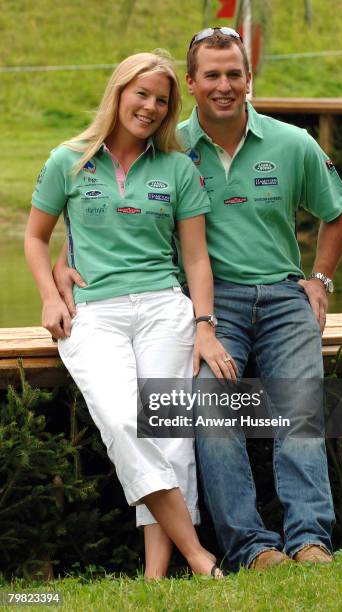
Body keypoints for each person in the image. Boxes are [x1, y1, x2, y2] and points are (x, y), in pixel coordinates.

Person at [53, 30, 342, 571]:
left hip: (286, 296)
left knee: (297, 408)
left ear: (248, 78)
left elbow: (339, 212)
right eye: (210, 75)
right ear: (190, 84)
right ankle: (251, 547)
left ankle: (310, 540)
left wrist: (321, 279)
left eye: (233, 74)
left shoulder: (292, 143)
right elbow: (109, 218)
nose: (224, 85)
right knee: (213, 413)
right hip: (207, 307)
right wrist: (63, 262)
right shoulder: (167, 149)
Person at [25, 50, 237, 580]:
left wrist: (204, 325)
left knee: (170, 435)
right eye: (140, 93)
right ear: (118, 92)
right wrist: (51, 294)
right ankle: (198, 554)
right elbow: (34, 236)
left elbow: (195, 258)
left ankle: (155, 578)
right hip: (94, 313)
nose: (149, 107)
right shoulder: (68, 160)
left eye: (161, 101)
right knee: (123, 421)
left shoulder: (177, 168)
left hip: (165, 308)